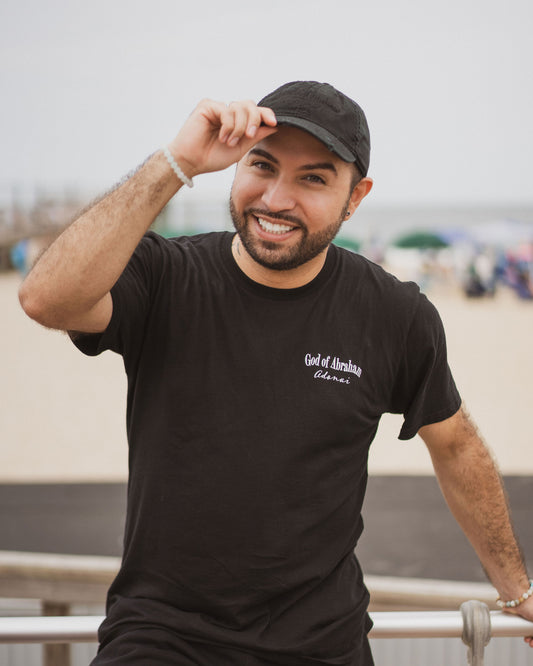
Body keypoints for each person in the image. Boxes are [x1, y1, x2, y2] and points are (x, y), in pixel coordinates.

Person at [19, 81, 532, 665]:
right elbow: (45, 300)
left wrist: (517, 589)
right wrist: (176, 162)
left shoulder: (395, 314)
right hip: (162, 639)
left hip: (323, 647)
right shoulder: (166, 276)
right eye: (261, 165)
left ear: (355, 197)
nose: (276, 199)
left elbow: (456, 442)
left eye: (313, 178)